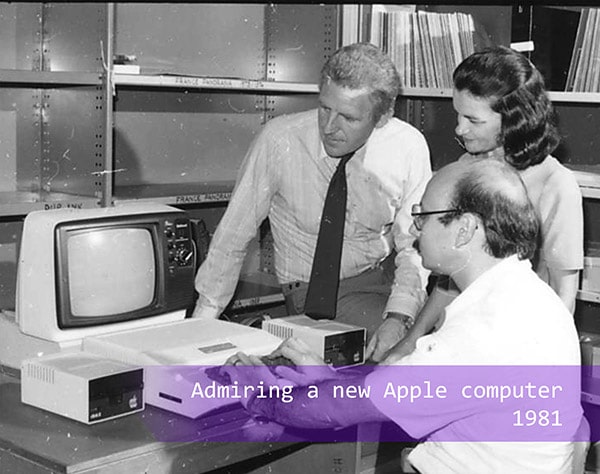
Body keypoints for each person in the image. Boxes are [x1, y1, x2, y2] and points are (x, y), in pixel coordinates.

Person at [224, 159, 585, 474]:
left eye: (423, 216)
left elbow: (338, 409)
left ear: (465, 230)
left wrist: (259, 396)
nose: (415, 230)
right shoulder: (531, 298)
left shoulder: (484, 328)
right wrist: (329, 378)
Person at [192, 43, 432, 344]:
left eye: (349, 117)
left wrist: (399, 315)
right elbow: (233, 235)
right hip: (316, 292)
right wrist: (200, 329)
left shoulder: (408, 146)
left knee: (449, 336)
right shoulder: (280, 139)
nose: (330, 127)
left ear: (381, 117)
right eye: (324, 108)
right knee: (418, 350)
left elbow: (415, 244)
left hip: (384, 279)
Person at [371, 46, 583, 363]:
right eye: (457, 114)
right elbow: (449, 282)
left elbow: (562, 301)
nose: (459, 128)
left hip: (516, 349)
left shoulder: (557, 184)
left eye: (473, 119)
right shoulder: (466, 166)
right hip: (465, 337)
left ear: (514, 120)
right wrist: (404, 348)